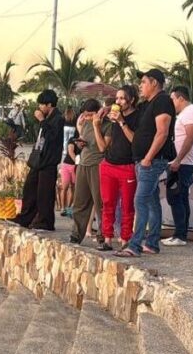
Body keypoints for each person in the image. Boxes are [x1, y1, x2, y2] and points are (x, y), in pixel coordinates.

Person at [121, 69, 176, 257]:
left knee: (140, 200)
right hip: (143, 161)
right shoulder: (148, 104)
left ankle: (135, 245)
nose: (140, 86)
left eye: (143, 82)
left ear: (154, 83)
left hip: (151, 161)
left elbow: (162, 132)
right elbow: (137, 133)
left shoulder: (162, 101)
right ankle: (152, 243)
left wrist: (148, 158)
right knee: (152, 202)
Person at [10, 90, 65, 231]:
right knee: (30, 188)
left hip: (49, 160)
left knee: (44, 193)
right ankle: (25, 218)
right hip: (38, 159)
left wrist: (42, 120)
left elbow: (52, 137)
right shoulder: (47, 118)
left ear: (49, 104)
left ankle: (45, 221)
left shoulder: (58, 118)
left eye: (42, 104)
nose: (40, 107)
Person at [93, 85, 139, 251]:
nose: (117, 102)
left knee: (127, 205)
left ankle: (126, 239)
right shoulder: (113, 117)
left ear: (131, 100)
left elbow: (135, 141)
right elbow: (103, 147)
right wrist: (96, 126)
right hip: (108, 164)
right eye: (116, 98)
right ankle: (107, 239)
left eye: (121, 98)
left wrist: (121, 122)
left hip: (127, 166)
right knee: (107, 203)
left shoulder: (137, 117)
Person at [164, 86, 193, 247]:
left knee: (175, 196)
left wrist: (178, 159)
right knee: (180, 197)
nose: (171, 102)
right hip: (182, 161)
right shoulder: (186, 114)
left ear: (180, 98)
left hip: (184, 162)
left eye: (172, 99)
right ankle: (180, 233)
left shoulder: (191, 112)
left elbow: (191, 136)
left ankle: (180, 235)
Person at [70, 99, 105, 246]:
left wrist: (97, 124)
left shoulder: (105, 124)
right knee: (79, 202)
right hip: (83, 163)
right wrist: (80, 143)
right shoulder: (84, 123)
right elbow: (83, 140)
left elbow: (103, 147)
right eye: (86, 115)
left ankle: (104, 235)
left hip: (97, 165)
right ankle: (76, 234)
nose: (88, 117)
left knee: (99, 204)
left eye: (91, 115)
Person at [58, 109, 78, 218]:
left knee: (68, 186)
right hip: (67, 159)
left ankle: (65, 207)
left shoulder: (65, 121)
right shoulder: (73, 121)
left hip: (65, 154)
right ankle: (64, 207)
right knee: (69, 186)